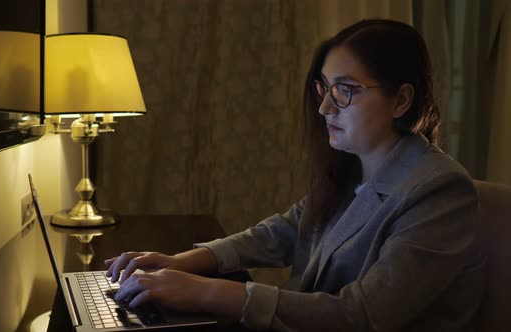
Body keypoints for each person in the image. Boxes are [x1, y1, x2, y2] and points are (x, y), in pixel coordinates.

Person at [105, 19, 485, 331]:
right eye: (325, 87)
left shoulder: (439, 190)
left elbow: (363, 315)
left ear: (401, 100)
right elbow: (285, 231)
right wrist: (183, 261)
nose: (324, 107)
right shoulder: (357, 164)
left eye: (345, 91)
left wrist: (207, 293)